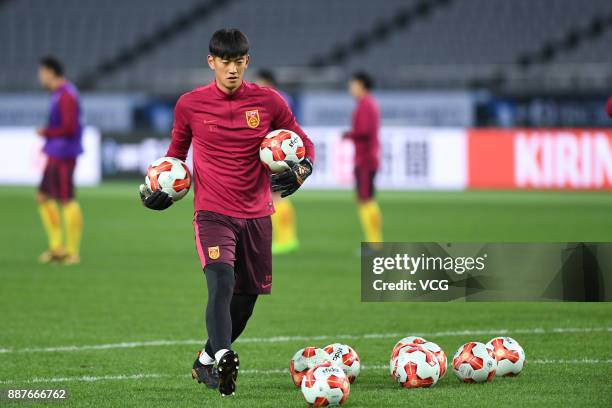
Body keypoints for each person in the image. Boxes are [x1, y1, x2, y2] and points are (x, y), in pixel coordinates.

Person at [139, 29, 315, 397]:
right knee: (220, 284)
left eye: (238, 62)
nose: (232, 69)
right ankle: (223, 355)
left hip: (256, 214)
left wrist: (303, 167)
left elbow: (302, 140)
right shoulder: (190, 104)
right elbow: (175, 156)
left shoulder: (269, 102)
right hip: (212, 213)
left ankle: (204, 359)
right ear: (211, 62)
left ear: (246, 62)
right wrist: (152, 192)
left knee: (246, 300)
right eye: (225, 62)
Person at [36, 56, 84, 265]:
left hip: (64, 154)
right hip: (55, 153)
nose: (40, 77)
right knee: (43, 197)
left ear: (49, 72)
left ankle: (72, 252)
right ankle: (57, 248)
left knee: (66, 199)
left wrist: (45, 132)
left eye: (41, 73)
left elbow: (69, 128)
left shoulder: (66, 96)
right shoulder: (60, 94)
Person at [255, 69, 300, 254]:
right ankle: (287, 238)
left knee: (275, 196)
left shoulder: (273, 100)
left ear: (268, 82)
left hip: (277, 153)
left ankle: (286, 240)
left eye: (259, 82)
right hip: (282, 151)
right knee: (277, 196)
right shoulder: (285, 98)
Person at [343, 72, 383, 252]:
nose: (350, 88)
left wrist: (348, 134)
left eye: (352, 84)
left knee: (366, 200)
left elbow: (365, 131)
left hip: (365, 160)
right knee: (365, 200)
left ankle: (374, 244)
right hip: (367, 158)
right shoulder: (368, 103)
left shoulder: (365, 105)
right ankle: (374, 243)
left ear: (360, 85)